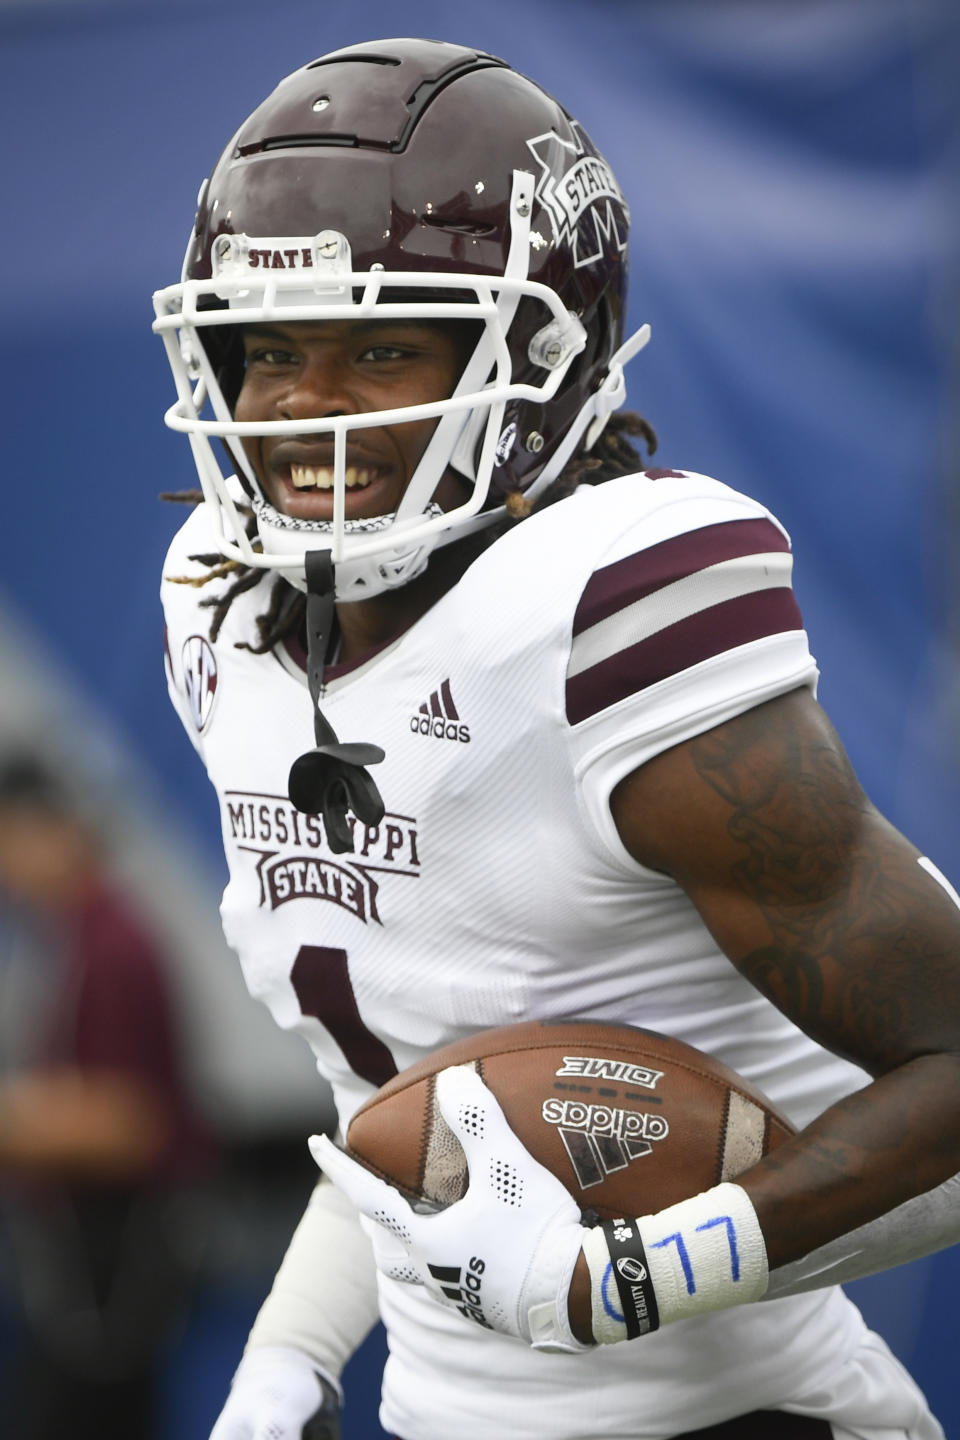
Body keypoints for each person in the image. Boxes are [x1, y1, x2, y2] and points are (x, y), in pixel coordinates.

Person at [155, 38, 960, 1440]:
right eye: (267, 347)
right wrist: (286, 1362)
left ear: (538, 357)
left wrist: (637, 1278)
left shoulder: (607, 615)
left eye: (384, 346)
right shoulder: (226, 613)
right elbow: (421, 1107)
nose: (300, 409)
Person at [0, 753, 210, 1439]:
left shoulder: (113, 947)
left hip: (115, 1268)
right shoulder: (74, 939)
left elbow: (130, 1125)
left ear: (48, 830)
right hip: (88, 1263)